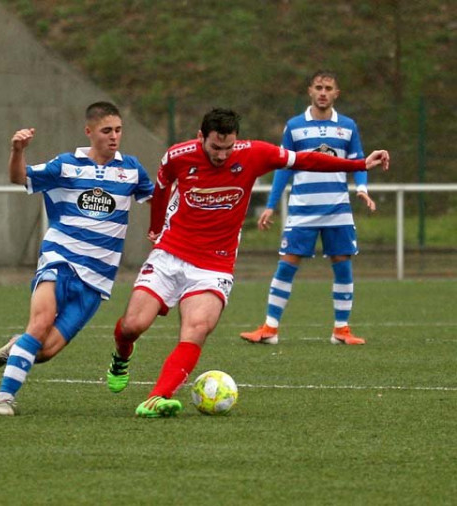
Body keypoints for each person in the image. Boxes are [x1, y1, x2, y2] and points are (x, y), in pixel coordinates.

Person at [105, 108, 389, 418]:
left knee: (197, 328)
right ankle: (121, 356)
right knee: (132, 326)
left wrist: (359, 163)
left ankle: (159, 396)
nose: (222, 155)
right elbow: (161, 188)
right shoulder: (178, 156)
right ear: (201, 138)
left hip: (215, 264)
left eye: (228, 148)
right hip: (170, 254)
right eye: (215, 147)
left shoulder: (254, 153)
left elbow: (305, 159)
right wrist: (156, 228)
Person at [0, 101, 155, 416]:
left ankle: (17, 346)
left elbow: (158, 197)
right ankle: (4, 398)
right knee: (41, 322)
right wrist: (17, 150)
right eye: (106, 131)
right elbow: (19, 178)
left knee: (44, 351)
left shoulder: (131, 169)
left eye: (118, 130)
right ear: (89, 132)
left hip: (97, 278)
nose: (114, 136)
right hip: (60, 260)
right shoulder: (66, 165)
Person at [240, 71, 374, 346]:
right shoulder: (294, 126)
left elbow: (359, 161)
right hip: (302, 211)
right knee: (287, 264)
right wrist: (271, 205)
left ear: (337, 93)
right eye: (318, 87)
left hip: (338, 210)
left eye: (328, 88)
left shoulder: (348, 126)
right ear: (310, 91)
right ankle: (270, 328)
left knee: (343, 265)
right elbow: (282, 166)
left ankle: (341, 329)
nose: (323, 92)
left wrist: (362, 189)